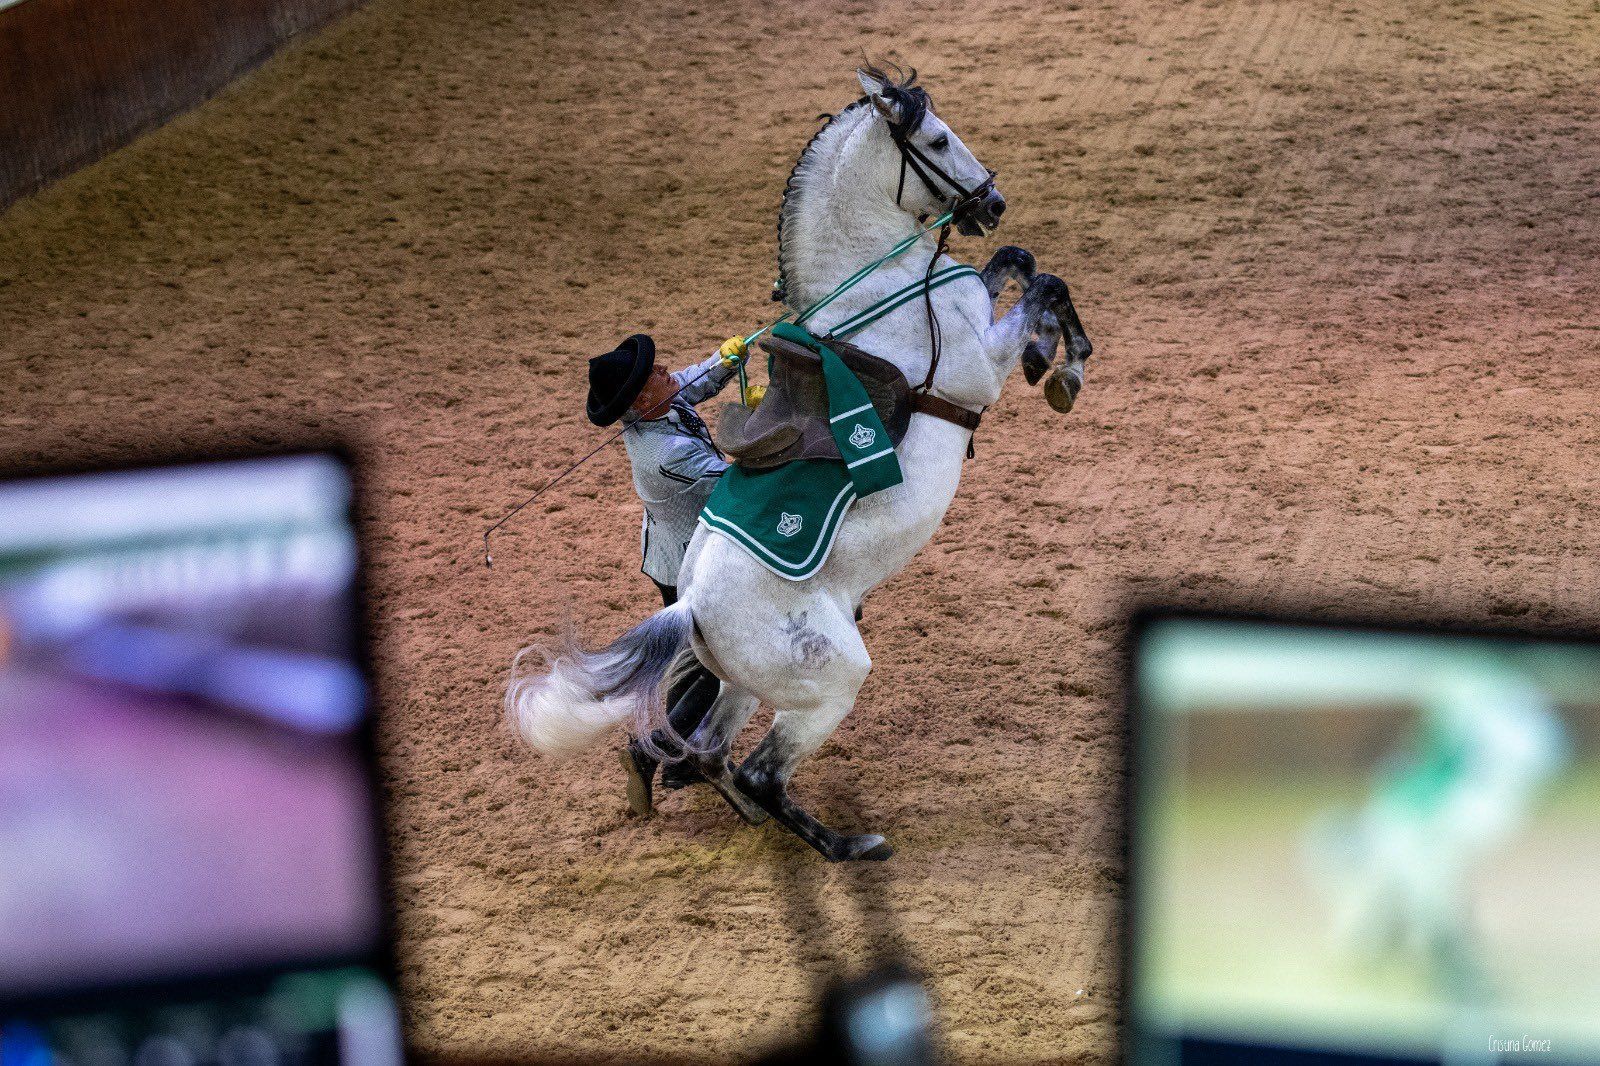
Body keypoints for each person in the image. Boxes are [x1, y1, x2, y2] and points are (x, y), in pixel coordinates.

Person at [585, 333, 747, 815]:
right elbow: (737, 481)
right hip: (684, 566)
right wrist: (762, 425)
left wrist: (723, 361)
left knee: (693, 659)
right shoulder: (666, 453)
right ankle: (651, 752)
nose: (665, 371)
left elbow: (690, 381)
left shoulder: (657, 405)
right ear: (640, 400)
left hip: (669, 551)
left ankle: (677, 764)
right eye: (653, 374)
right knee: (714, 667)